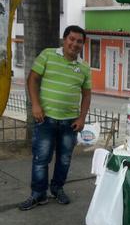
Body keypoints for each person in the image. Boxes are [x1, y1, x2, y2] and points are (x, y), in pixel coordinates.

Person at [19, 25, 91, 210]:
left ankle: (57, 188)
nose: (75, 44)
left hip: (70, 123)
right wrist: (35, 105)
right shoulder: (48, 55)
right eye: (71, 39)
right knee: (41, 158)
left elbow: (87, 94)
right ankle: (38, 194)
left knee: (64, 159)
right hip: (46, 119)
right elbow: (32, 79)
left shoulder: (83, 67)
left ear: (83, 44)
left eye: (79, 41)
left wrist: (82, 118)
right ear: (64, 39)